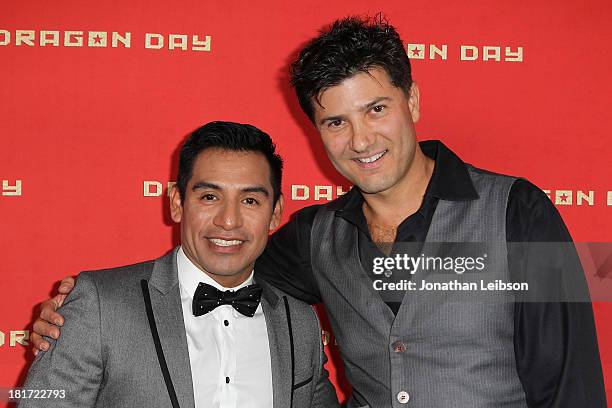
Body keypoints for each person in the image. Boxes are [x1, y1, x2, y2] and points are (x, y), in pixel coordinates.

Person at [32, 16, 607, 407]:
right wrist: (80, 311)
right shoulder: (314, 237)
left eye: (376, 108)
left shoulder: (519, 211)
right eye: (336, 121)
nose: (360, 139)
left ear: (412, 101)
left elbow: (570, 384)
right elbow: (221, 260)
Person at [19, 121, 338, 408]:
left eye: (250, 200)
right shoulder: (101, 305)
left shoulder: (298, 320)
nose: (228, 221)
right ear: (176, 203)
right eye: (210, 197)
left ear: (276, 213)